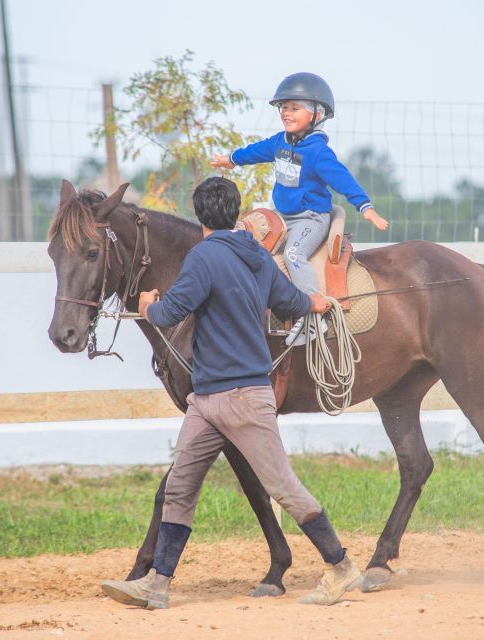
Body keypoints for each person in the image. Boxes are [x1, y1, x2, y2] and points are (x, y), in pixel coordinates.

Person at [100, 177, 362, 609]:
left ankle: (341, 566)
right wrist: (315, 303)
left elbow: (168, 312)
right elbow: (290, 302)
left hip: (237, 398)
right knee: (181, 485)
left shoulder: (202, 257)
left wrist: (146, 304)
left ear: (198, 213)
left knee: (283, 487)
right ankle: (157, 583)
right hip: (206, 401)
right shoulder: (258, 255)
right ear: (234, 212)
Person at [211, 72, 389, 345]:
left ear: (317, 114)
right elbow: (255, 151)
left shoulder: (318, 153)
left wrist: (365, 207)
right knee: (244, 243)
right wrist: (231, 159)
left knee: (294, 253)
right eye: (283, 107)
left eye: (294, 108)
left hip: (310, 219)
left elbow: (343, 179)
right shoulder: (279, 142)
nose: (286, 113)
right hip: (281, 217)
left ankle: (312, 316)